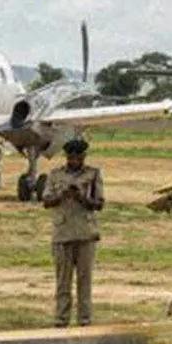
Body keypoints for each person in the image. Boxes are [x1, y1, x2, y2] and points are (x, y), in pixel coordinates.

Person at [43, 137, 105, 327]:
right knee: (63, 281)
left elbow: (99, 204)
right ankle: (61, 319)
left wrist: (81, 197)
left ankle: (84, 319)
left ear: (84, 157)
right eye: (71, 157)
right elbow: (46, 201)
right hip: (62, 233)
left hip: (86, 233)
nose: (74, 161)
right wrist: (61, 195)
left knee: (84, 281)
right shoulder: (55, 175)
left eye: (78, 158)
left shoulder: (93, 175)